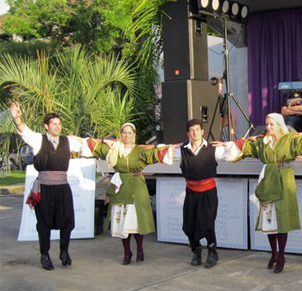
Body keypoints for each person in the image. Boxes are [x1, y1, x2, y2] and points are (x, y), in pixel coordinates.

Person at [215, 113, 302, 273]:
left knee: (282, 218)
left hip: (283, 178)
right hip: (268, 178)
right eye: (266, 124)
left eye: (271, 125)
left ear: (279, 125)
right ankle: (273, 253)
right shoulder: (263, 142)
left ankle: (281, 255)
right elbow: (245, 147)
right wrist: (226, 146)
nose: (268, 127)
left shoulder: (289, 140)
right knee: (269, 219)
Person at [9, 102, 91, 270]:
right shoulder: (39, 140)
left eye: (59, 124)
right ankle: (44, 255)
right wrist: (17, 119)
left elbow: (88, 145)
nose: (58, 126)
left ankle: (64, 252)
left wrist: (111, 144)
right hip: (44, 189)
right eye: (54, 123)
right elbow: (25, 132)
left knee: (67, 220)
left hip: (62, 188)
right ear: (46, 126)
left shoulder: (68, 141)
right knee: (44, 222)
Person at [86, 123, 175, 265]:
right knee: (122, 223)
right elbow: (93, 146)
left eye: (129, 133)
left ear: (134, 135)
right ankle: (127, 253)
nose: (126, 136)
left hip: (136, 186)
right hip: (120, 186)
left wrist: (171, 148)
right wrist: (103, 141)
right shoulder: (114, 150)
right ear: (121, 135)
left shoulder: (139, 151)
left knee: (135, 221)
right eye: (124, 133)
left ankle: (140, 249)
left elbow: (155, 154)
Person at [180, 119, 239, 268]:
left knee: (207, 223)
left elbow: (234, 152)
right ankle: (196, 251)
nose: (195, 133)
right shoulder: (182, 150)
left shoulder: (213, 149)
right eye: (192, 130)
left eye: (197, 130)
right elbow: (159, 151)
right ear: (188, 133)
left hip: (208, 192)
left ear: (202, 131)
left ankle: (213, 252)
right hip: (191, 192)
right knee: (189, 225)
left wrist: (227, 144)